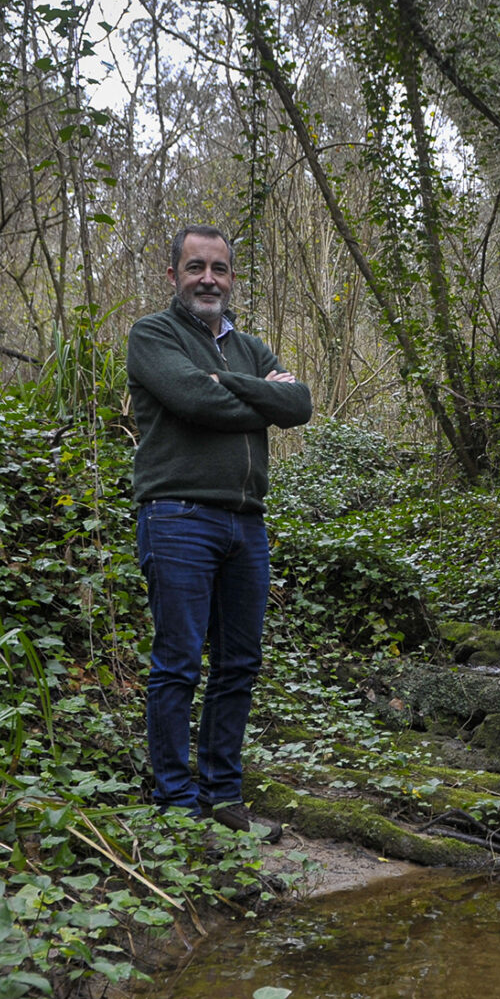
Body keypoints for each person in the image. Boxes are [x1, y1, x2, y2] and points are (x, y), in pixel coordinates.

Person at [127, 224, 312, 832]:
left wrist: (227, 383)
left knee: (239, 663)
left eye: (220, 269)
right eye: (195, 267)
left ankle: (222, 800)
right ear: (173, 274)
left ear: (232, 278)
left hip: (246, 525)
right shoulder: (154, 334)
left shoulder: (249, 347)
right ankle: (177, 804)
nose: (208, 279)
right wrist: (259, 397)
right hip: (177, 514)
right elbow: (192, 402)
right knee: (178, 661)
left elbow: (299, 406)